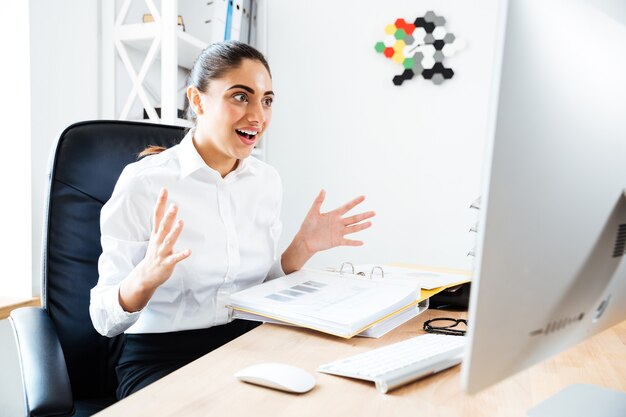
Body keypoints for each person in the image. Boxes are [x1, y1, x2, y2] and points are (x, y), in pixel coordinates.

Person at [89, 40, 375, 399]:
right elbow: (103, 319)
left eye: (267, 100)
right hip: (161, 357)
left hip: (250, 345)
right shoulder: (144, 183)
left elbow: (263, 288)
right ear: (197, 100)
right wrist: (144, 280)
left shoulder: (266, 181)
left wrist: (301, 249)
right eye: (241, 96)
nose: (258, 116)